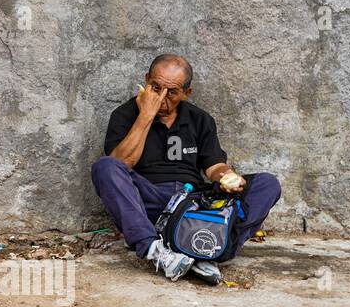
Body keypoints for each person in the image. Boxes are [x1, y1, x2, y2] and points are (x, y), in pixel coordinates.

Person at [91, 54, 282, 284]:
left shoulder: (199, 119)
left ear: (186, 93)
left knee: (267, 184)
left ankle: (216, 247)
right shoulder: (125, 115)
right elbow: (122, 164)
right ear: (146, 79)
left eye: (171, 92)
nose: (162, 98)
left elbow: (214, 166)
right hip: (149, 202)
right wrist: (146, 116)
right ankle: (155, 249)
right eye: (155, 87)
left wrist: (227, 176)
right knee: (105, 167)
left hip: (192, 202)